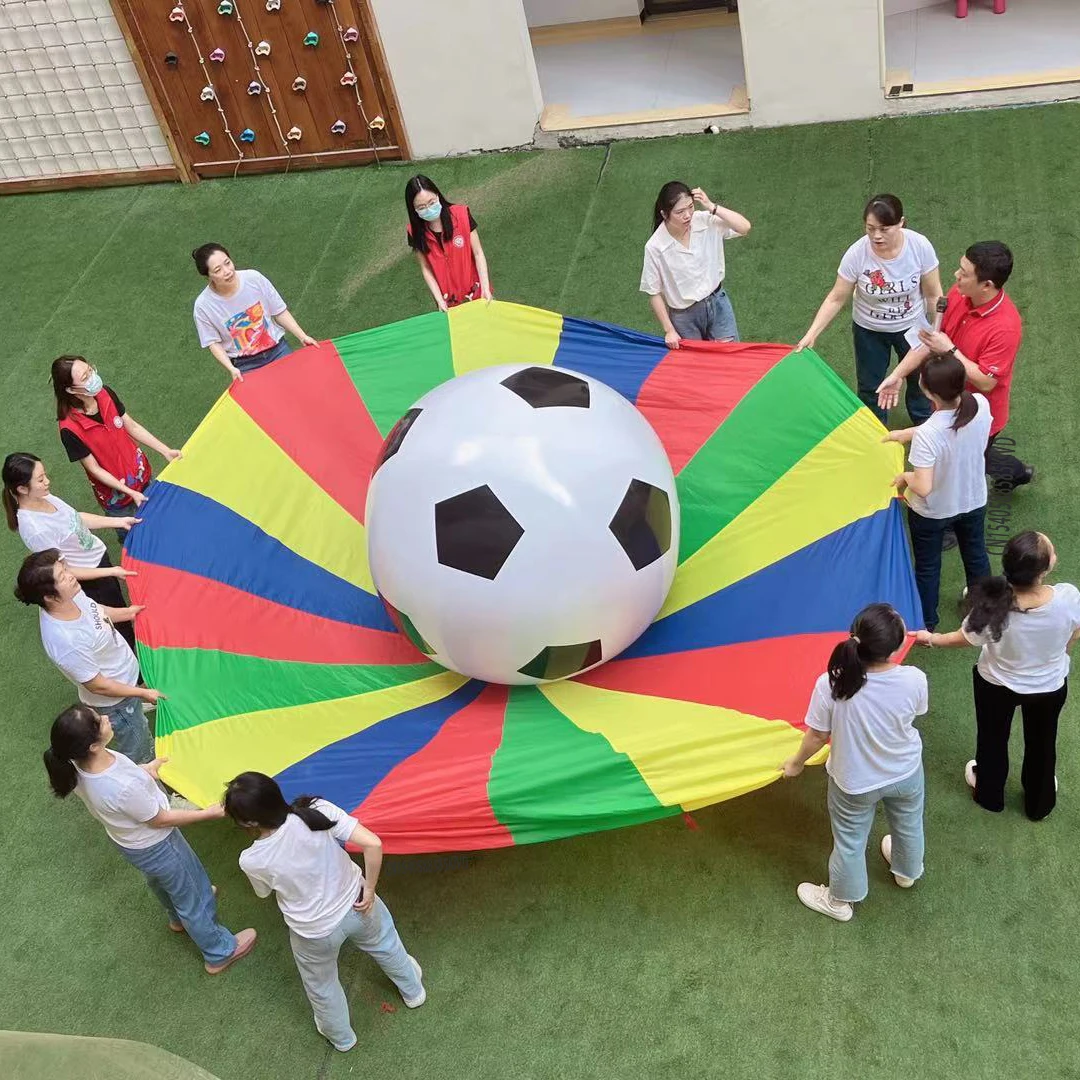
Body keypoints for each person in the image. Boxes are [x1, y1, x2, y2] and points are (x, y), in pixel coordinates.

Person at [43, 704, 257, 975]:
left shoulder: (78, 766)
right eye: (99, 721)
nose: (106, 718)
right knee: (193, 892)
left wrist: (146, 770)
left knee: (162, 882)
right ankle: (220, 952)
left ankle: (177, 917)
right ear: (92, 746)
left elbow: (124, 784)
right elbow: (159, 819)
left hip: (130, 842)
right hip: (158, 843)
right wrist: (207, 814)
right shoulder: (121, 788)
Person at [223, 771, 425, 1052]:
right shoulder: (317, 810)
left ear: (248, 821)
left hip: (313, 932)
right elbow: (373, 843)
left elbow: (263, 893)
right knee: (387, 945)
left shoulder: (251, 859)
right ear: (275, 792)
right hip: (358, 903)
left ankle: (341, 1037)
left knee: (322, 985)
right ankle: (413, 991)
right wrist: (369, 891)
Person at [917, 531, 1080, 821]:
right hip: (1049, 687)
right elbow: (1075, 629)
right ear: (1044, 570)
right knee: (1043, 742)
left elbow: (964, 638)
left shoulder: (991, 608)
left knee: (991, 739)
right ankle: (1039, 801)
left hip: (995, 684)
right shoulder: (1068, 598)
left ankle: (990, 794)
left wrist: (931, 638)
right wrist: (1063, 652)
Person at [782, 603, 927, 922]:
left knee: (850, 839)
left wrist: (796, 763)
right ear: (899, 643)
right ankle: (906, 872)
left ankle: (840, 901)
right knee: (908, 823)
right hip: (905, 772)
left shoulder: (831, 684)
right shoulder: (914, 679)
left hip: (854, 781)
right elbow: (914, 714)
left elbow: (817, 736)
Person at [877, 240, 1032, 492]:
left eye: (964, 273)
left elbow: (986, 381)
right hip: (946, 402)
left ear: (987, 285)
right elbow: (931, 341)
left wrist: (950, 349)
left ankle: (948, 526)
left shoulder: (1006, 327)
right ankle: (1016, 472)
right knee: (970, 457)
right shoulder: (961, 293)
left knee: (958, 467)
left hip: (977, 414)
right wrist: (897, 374)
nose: (956, 275)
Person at [797, 193, 942, 424]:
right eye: (870, 228)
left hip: (913, 326)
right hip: (870, 330)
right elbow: (836, 297)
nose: (876, 236)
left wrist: (937, 331)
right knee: (869, 385)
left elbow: (934, 294)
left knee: (920, 379)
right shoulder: (856, 254)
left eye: (884, 229)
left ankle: (924, 423)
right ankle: (874, 429)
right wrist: (811, 334)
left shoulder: (919, 246)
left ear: (901, 223)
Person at [15, 548, 160, 763]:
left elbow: (95, 610)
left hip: (125, 684)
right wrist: (140, 694)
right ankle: (152, 786)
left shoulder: (69, 596)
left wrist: (128, 613)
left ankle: (138, 704)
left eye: (66, 569)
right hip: (117, 703)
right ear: (49, 597)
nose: (71, 575)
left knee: (137, 725)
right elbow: (98, 685)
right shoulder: (66, 641)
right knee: (139, 748)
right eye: (63, 576)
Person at [884, 352, 992, 631]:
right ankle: (983, 613)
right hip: (973, 499)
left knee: (928, 568)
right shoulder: (980, 404)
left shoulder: (928, 436)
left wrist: (905, 476)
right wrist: (908, 433)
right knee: (976, 554)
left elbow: (923, 486)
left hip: (933, 512)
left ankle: (927, 624)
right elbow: (950, 427)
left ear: (927, 390)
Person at [4, 452, 139, 650]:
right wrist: (110, 572)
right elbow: (64, 570)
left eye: (45, 475)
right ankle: (135, 671)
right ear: (22, 488)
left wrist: (118, 521)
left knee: (121, 614)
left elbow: (75, 518)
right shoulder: (35, 529)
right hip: (91, 581)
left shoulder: (42, 495)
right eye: (40, 479)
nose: (47, 482)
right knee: (118, 628)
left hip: (98, 563)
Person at [51, 355, 181, 535]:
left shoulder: (105, 393)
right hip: (118, 500)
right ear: (71, 390)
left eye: (90, 370)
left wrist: (165, 450)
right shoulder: (69, 428)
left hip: (141, 476)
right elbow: (94, 469)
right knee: (136, 537)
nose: (93, 377)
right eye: (85, 377)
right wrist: (129, 492)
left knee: (164, 521)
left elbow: (132, 426)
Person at [640, 180, 751, 348]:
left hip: (717, 303)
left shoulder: (706, 221)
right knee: (697, 368)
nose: (687, 215)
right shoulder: (655, 246)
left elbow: (744, 227)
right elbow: (653, 292)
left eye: (690, 207)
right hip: (684, 316)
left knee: (730, 359)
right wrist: (669, 330)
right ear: (664, 214)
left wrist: (712, 206)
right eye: (680, 212)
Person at [192, 243, 317, 381]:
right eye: (218, 270)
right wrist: (231, 368)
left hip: (278, 350)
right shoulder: (203, 306)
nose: (227, 271)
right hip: (246, 364)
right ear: (208, 276)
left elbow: (279, 311)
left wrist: (302, 336)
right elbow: (213, 343)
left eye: (227, 263)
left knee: (299, 387)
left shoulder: (253, 278)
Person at [405, 175, 492, 311]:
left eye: (431, 202)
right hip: (448, 302)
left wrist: (485, 288)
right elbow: (426, 268)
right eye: (421, 207)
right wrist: (439, 300)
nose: (428, 209)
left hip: (477, 293)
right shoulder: (414, 232)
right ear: (413, 209)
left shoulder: (462, 214)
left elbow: (478, 252)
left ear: (438, 196)